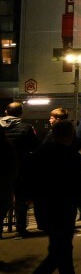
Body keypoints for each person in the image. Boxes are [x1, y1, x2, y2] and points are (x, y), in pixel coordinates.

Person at [9, 120, 81, 274]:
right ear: (70, 135)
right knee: (57, 254)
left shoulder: (40, 155)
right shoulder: (71, 156)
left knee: (62, 249)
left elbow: (25, 179)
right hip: (64, 209)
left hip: (45, 210)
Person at [1, 102, 41, 238]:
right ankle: (21, 228)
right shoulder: (26, 128)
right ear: (21, 113)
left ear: (6, 112)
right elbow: (36, 147)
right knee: (21, 199)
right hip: (21, 168)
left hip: (2, 169)